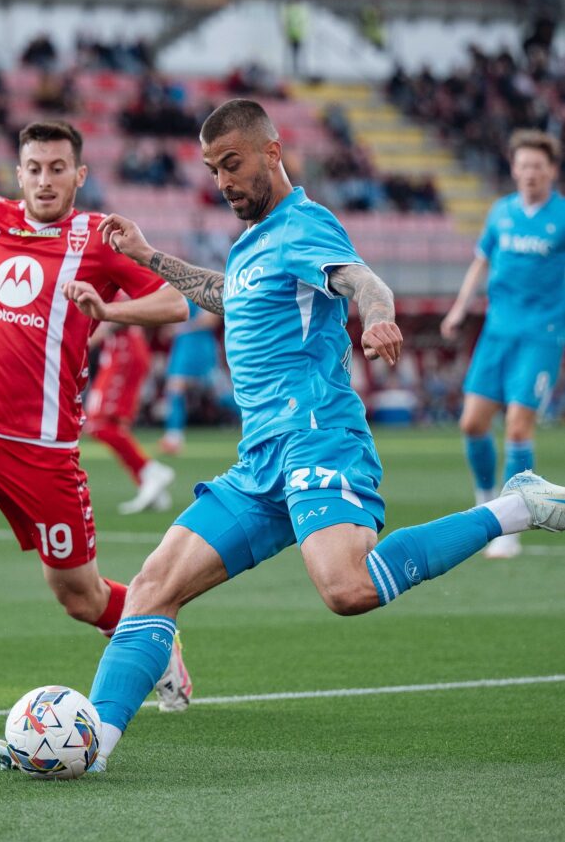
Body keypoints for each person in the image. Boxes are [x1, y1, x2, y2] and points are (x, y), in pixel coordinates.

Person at [77, 99, 565, 772]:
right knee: (155, 581)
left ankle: (518, 505)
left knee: (347, 589)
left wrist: (376, 317)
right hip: (259, 462)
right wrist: (149, 256)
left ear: (272, 152)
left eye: (234, 163)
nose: (222, 180)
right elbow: (233, 294)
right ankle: (88, 746)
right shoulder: (254, 241)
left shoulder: (304, 224)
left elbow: (360, 279)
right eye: (214, 168)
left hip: (316, 439)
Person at [0, 121, 193, 722]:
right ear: (19, 172)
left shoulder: (100, 238)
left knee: (81, 598)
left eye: (58, 168)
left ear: (79, 175)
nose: (45, 180)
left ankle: (160, 644)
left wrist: (110, 308)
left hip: (43, 451)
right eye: (34, 168)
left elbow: (175, 302)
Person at [441, 129, 565, 559]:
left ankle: (510, 524)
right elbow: (481, 262)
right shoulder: (501, 212)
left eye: (538, 166)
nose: (530, 173)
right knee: (472, 423)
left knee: (517, 426)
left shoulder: (562, 217)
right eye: (524, 165)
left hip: (541, 337)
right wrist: (459, 309)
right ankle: (485, 500)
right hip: (496, 334)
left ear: (552, 170)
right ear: (514, 169)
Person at [85, 304, 175, 514]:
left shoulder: (112, 279)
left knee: (97, 425)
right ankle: (150, 487)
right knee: (113, 426)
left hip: (123, 354)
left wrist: (95, 336)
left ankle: (150, 471)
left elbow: (126, 310)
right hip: (120, 352)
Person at [159, 299, 221, 455]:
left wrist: (181, 328)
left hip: (198, 345)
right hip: (183, 345)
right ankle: (173, 437)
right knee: (174, 389)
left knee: (220, 392)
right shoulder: (177, 288)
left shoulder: (200, 288)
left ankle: (256, 421)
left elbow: (210, 320)